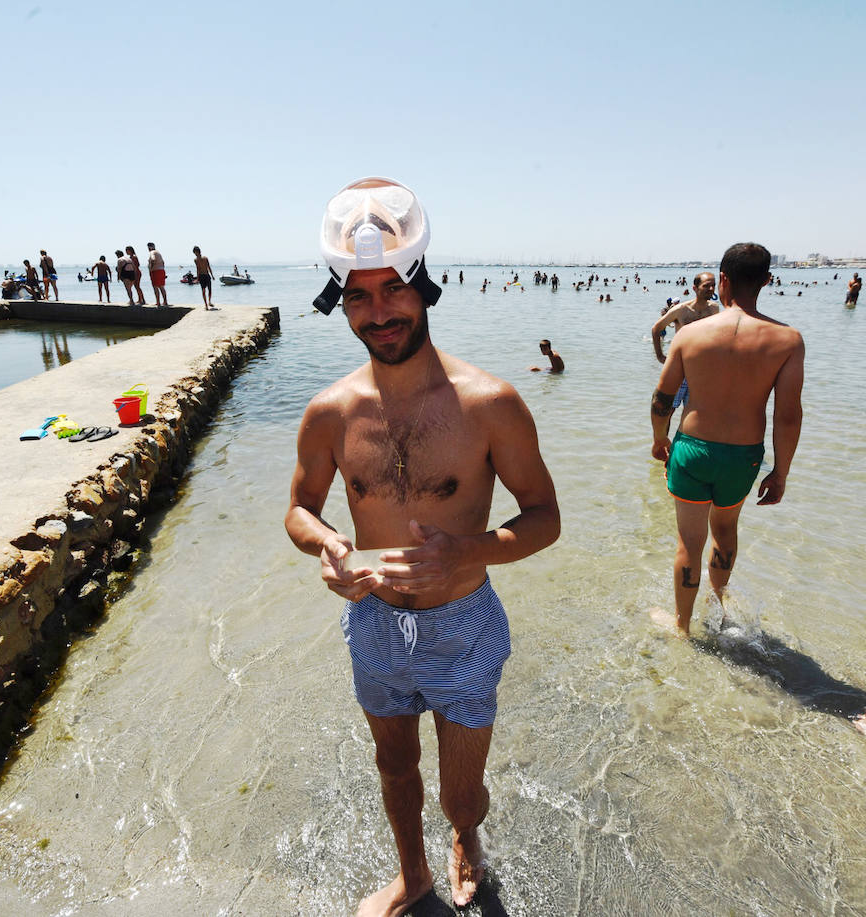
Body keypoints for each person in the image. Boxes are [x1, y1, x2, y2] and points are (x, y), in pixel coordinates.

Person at [286, 177, 559, 916]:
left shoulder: (489, 403)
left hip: (462, 624)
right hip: (374, 624)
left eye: (393, 291)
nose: (380, 312)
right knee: (394, 763)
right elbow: (299, 509)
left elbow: (544, 517)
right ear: (340, 303)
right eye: (360, 297)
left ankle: (467, 834)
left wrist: (467, 551)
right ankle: (415, 876)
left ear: (425, 287)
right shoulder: (329, 413)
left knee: (460, 790)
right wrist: (330, 546)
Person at [650, 243, 805, 634]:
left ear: (722, 279)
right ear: (767, 281)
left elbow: (663, 398)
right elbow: (787, 416)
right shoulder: (787, 340)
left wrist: (659, 439)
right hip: (743, 456)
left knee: (690, 542)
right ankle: (718, 606)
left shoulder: (691, 334)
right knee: (726, 530)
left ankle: (682, 627)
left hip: (692, 449)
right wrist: (781, 472)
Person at [650, 271, 719, 408]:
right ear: (695, 288)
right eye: (706, 286)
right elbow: (656, 329)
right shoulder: (681, 310)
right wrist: (660, 356)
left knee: (694, 410)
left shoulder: (714, 309)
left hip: (701, 368)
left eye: (713, 285)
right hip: (679, 366)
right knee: (666, 409)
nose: (711, 289)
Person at [192, 245, 215, 309]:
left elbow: (208, 267)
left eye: (195, 252)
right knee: (203, 290)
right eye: (194, 253)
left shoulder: (205, 258)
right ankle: (206, 305)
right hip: (201, 276)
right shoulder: (195, 260)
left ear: (198, 251)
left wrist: (212, 275)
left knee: (210, 290)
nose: (195, 254)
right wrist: (197, 278)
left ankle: (209, 302)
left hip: (207, 275)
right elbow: (198, 269)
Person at [147, 242, 168, 307]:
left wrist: (151, 267)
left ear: (149, 247)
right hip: (161, 270)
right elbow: (163, 262)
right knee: (161, 287)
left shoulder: (152, 252)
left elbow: (153, 259)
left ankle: (158, 302)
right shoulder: (158, 253)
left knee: (155, 287)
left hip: (155, 271)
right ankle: (165, 302)